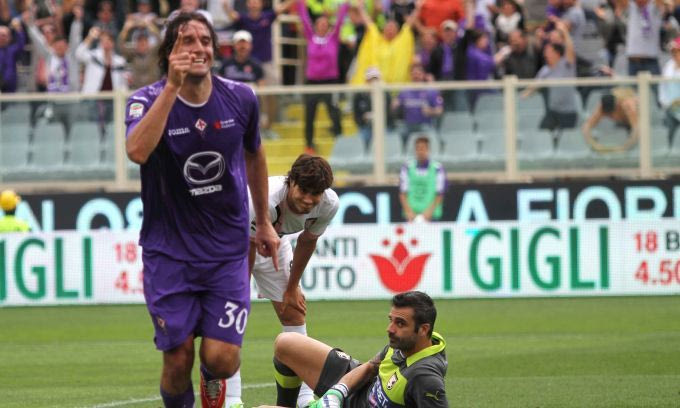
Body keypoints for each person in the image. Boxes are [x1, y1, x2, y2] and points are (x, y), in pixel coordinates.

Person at [124, 12, 280, 408]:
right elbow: (137, 151)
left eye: (205, 41)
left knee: (222, 360)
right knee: (177, 360)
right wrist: (172, 88)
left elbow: (255, 154)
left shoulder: (241, 98)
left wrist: (264, 222)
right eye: (187, 41)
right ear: (169, 52)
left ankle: (213, 376)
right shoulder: (144, 101)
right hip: (169, 252)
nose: (199, 49)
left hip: (226, 251)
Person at [225, 154, 339, 408]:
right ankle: (231, 400)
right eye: (303, 190)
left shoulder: (329, 204)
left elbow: (307, 241)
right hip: (232, 243)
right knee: (232, 316)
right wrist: (240, 294)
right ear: (291, 182)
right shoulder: (264, 199)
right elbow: (246, 248)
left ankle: (304, 399)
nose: (308, 199)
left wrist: (291, 288)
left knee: (293, 311)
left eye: (315, 193)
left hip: (274, 241)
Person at [266, 291, 448, 408]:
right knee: (286, 343)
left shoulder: (425, 377)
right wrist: (337, 393)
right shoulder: (409, 343)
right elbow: (370, 366)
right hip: (359, 389)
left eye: (400, 323)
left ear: (423, 329)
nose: (390, 329)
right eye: (391, 320)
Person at [297, 0, 349, 154]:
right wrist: (300, 3)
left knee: (334, 112)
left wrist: (345, 5)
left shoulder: (333, 37)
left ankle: (340, 142)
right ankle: (309, 145)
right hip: (312, 82)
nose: (322, 26)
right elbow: (304, 17)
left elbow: (340, 20)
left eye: (325, 24)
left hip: (330, 82)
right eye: (320, 24)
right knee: (309, 114)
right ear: (315, 26)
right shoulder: (310, 37)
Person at [392, 63, 444, 152]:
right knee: (395, 136)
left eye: (418, 74)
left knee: (433, 137)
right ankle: (401, 156)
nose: (416, 76)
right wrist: (394, 105)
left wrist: (431, 111)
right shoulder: (405, 91)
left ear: (423, 75)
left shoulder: (431, 91)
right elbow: (394, 106)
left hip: (425, 125)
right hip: (407, 125)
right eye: (413, 74)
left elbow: (440, 110)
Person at [399, 136, 446, 222]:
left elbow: (440, 193)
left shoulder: (437, 168)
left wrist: (429, 212)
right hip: (411, 216)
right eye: (418, 148)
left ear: (428, 150)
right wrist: (409, 212)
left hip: (432, 216)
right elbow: (403, 192)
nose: (420, 151)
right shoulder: (407, 167)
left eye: (423, 148)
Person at [581, 87, 639, 153]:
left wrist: (625, 147)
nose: (611, 115)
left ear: (617, 104)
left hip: (635, 120)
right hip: (624, 122)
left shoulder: (628, 105)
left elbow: (637, 128)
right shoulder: (603, 107)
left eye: (611, 113)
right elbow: (586, 127)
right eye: (608, 114)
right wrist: (594, 145)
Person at [659, 36, 680, 148]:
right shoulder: (669, 65)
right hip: (670, 107)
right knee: (670, 132)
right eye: (673, 51)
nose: (675, 54)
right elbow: (663, 85)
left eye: (677, 51)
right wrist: (665, 103)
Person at [0, 17, 26, 94]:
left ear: (9, 37)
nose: (1, 37)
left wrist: (18, 29)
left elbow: (21, 44)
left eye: (4, 35)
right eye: (0, 35)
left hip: (10, 86)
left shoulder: (12, 50)